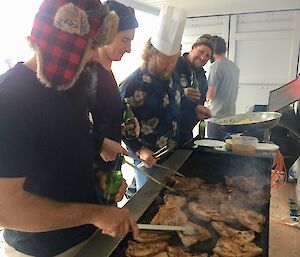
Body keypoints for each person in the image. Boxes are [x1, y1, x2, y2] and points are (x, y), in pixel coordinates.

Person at [0, 1, 139, 257]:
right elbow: (5, 210)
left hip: (89, 233)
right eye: (90, 48)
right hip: (43, 249)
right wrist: (95, 213)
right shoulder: (9, 100)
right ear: (61, 44)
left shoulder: (72, 85)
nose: (96, 57)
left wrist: (98, 174)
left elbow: (68, 142)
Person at [84, 0, 139, 203]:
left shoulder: (108, 71)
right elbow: (75, 128)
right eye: (125, 40)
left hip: (109, 171)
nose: (130, 49)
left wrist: (123, 124)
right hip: (92, 177)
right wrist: (99, 172)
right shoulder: (89, 74)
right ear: (105, 35)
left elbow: (101, 116)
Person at [175, 34, 214, 145]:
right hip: (165, 134)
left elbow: (199, 103)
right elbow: (161, 93)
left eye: (207, 56)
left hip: (186, 134)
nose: (203, 58)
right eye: (201, 52)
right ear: (193, 47)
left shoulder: (202, 77)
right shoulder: (175, 65)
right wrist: (182, 93)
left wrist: (198, 111)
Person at [206, 36, 240, 140]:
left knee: (213, 152)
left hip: (216, 119)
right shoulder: (234, 67)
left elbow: (210, 95)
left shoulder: (215, 67)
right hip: (230, 117)